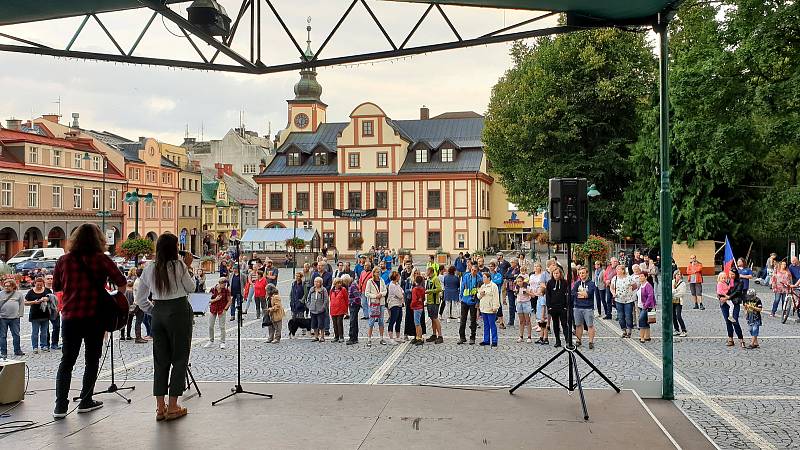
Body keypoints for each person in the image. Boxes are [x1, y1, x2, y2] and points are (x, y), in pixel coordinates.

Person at [53, 224, 127, 419]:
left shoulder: (64, 260)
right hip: (95, 316)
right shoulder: (102, 259)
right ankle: (86, 401)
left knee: (66, 361)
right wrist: (113, 298)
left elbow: (56, 287)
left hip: (70, 317)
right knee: (92, 360)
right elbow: (121, 283)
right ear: (99, 240)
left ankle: (60, 406)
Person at [135, 232, 196, 422]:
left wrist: (154, 311)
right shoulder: (178, 265)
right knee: (179, 358)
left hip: (159, 312)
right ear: (174, 248)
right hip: (178, 311)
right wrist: (187, 266)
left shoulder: (149, 267)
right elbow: (191, 288)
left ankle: (160, 407)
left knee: (160, 361)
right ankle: (173, 405)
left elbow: (140, 298)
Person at [719, 268, 746, 348]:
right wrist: (720, 297)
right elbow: (720, 290)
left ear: (736, 274)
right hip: (724, 303)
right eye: (730, 274)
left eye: (732, 274)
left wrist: (728, 297)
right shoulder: (726, 280)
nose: (731, 276)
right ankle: (730, 339)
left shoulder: (740, 282)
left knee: (734, 321)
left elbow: (737, 292)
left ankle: (741, 339)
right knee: (728, 321)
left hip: (734, 302)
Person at [25, 277, 52, 354]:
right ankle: (35, 347)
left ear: (43, 284)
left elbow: (52, 298)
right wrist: (33, 302)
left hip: (45, 314)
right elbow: (25, 302)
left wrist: (46, 299)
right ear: (35, 284)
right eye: (38, 285)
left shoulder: (47, 290)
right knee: (35, 332)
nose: (39, 286)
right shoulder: (30, 292)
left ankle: (44, 345)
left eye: (41, 285)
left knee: (44, 332)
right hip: (35, 315)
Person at [572, 267, 597, 349]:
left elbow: (588, 294)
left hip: (588, 307)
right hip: (577, 307)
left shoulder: (591, 283)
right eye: (580, 273)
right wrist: (582, 294)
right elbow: (573, 292)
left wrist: (581, 294)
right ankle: (579, 340)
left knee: (590, 325)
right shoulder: (577, 283)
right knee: (578, 325)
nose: (581, 274)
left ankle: (591, 342)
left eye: (583, 273)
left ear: (587, 273)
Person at [0, 278, 25, 358]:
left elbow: (21, 304)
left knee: (16, 335)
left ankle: (17, 350)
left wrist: (20, 314)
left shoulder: (18, 294)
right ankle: (3, 352)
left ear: (13, 286)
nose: (7, 287)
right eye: (5, 286)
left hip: (15, 318)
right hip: (2, 318)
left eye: (9, 286)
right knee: (3, 336)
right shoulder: (0, 294)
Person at [546, 266, 569, 348]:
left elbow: (567, 295)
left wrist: (566, 306)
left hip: (562, 307)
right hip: (553, 307)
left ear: (560, 274)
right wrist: (549, 307)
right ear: (552, 274)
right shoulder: (549, 283)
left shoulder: (565, 282)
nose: (556, 275)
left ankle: (567, 341)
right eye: (554, 273)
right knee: (555, 325)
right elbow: (548, 295)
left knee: (564, 324)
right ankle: (557, 341)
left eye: (557, 273)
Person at [610, 264, 637, 338]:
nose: (617, 271)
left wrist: (630, 292)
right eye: (617, 269)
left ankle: (629, 330)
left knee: (628, 315)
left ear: (623, 270)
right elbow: (611, 288)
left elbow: (635, 286)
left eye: (619, 269)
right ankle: (623, 330)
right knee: (620, 316)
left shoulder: (629, 278)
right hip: (618, 300)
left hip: (628, 300)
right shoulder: (614, 278)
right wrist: (613, 293)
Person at [204, 278, 231, 349]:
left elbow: (229, 301)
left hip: (222, 309)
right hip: (213, 309)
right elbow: (208, 300)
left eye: (225, 284)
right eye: (223, 284)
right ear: (220, 283)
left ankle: (222, 342)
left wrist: (225, 309)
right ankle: (211, 340)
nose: (225, 286)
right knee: (210, 326)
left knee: (222, 327)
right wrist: (215, 299)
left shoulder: (226, 290)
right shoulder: (213, 289)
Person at [458, 263, 481, 345]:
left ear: (477, 271)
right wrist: (460, 297)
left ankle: (472, 337)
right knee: (462, 320)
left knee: (473, 320)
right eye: (472, 270)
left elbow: (479, 291)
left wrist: (478, 302)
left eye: (475, 271)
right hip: (465, 300)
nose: (473, 272)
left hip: (473, 301)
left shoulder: (479, 279)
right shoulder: (466, 276)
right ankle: (462, 337)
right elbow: (462, 287)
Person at [364, 267, 388, 346]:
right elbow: (366, 293)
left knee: (381, 321)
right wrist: (375, 296)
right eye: (377, 272)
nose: (378, 273)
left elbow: (385, 290)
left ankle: (381, 338)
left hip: (381, 303)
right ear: (374, 273)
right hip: (374, 304)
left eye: (379, 272)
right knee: (371, 321)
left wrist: (381, 294)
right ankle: (369, 339)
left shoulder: (382, 280)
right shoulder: (370, 282)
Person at [477, 271, 500, 347]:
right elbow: (478, 296)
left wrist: (495, 307)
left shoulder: (493, 286)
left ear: (488, 278)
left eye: (484, 277)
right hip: (484, 308)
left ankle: (494, 340)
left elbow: (496, 297)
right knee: (486, 325)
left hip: (490, 309)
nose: (483, 279)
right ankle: (486, 340)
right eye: (483, 277)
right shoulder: (482, 286)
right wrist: (480, 294)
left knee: (492, 324)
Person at [306, 277, 329, 342]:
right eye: (315, 281)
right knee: (314, 324)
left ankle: (322, 336)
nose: (316, 283)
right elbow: (308, 298)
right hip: (313, 309)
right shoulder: (311, 289)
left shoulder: (323, 290)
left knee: (321, 324)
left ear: (321, 283)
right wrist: (309, 306)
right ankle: (316, 336)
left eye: (318, 282)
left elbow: (326, 299)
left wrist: (323, 307)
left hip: (320, 310)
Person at [424, 266, 443, 344]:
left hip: (435, 302)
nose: (425, 272)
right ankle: (434, 334)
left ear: (430, 271)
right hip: (429, 302)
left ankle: (440, 336)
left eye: (426, 271)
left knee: (435, 318)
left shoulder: (435, 279)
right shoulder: (429, 279)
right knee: (432, 318)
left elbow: (439, 289)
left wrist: (429, 291)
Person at [514, 275, 534, 343]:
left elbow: (533, 295)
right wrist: (515, 292)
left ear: (523, 281)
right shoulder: (516, 287)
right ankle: (521, 336)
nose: (519, 283)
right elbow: (515, 295)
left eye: (520, 281)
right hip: (519, 303)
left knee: (527, 320)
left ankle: (529, 336)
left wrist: (527, 292)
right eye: (518, 281)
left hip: (526, 303)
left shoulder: (527, 287)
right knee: (521, 321)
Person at [637, 273, 656, 343]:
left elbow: (650, 296)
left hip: (647, 306)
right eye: (639, 276)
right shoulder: (640, 285)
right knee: (646, 321)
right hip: (640, 306)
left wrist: (646, 306)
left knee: (641, 320)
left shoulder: (648, 286)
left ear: (646, 277)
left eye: (642, 276)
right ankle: (647, 336)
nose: (640, 277)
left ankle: (642, 337)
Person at [44, 274, 61, 350]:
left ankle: (55, 343)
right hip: (45, 311)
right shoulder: (42, 289)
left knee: (56, 327)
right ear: (45, 280)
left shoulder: (56, 289)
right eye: (48, 278)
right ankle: (46, 344)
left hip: (55, 311)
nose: (50, 280)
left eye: (51, 278)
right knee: (45, 328)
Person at [386, 271, 404, 343]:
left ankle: (398, 337)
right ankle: (391, 338)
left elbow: (402, 291)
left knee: (399, 321)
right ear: (396, 277)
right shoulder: (392, 285)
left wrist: (401, 294)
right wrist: (402, 295)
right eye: (398, 276)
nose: (399, 277)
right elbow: (400, 295)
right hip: (394, 305)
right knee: (393, 320)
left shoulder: (397, 284)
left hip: (399, 304)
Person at [329, 277, 348, 343]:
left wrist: (346, 310)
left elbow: (346, 300)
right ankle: (336, 337)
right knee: (334, 324)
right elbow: (331, 299)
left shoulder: (343, 289)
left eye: (340, 283)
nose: (339, 284)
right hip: (333, 309)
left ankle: (341, 336)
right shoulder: (332, 290)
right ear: (335, 284)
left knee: (339, 322)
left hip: (341, 309)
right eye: (338, 283)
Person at [289, 272, 308, 337]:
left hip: (300, 303)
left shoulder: (303, 284)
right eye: (296, 276)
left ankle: (304, 329)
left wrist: (302, 301)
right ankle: (293, 330)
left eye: (298, 276)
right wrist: (291, 300)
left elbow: (305, 293)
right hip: (294, 303)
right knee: (293, 318)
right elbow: (291, 292)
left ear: (301, 277)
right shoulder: (293, 284)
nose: (297, 277)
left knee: (301, 317)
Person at [346, 274, 362, 345]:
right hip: (353, 306)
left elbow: (357, 297)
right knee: (354, 321)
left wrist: (352, 303)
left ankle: (352, 337)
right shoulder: (351, 285)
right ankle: (355, 338)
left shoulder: (352, 286)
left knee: (352, 322)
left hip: (354, 306)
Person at [671, 271, 688, 337]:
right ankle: (676, 329)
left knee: (678, 316)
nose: (679, 275)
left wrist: (674, 294)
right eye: (677, 274)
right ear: (674, 275)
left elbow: (682, 293)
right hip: (672, 301)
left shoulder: (682, 283)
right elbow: (670, 290)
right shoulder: (672, 282)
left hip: (679, 302)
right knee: (673, 316)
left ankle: (684, 330)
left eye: (680, 274)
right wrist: (675, 291)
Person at [410, 275, 426, 345]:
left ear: (415, 281)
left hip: (416, 307)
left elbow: (414, 300)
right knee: (418, 323)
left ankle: (419, 337)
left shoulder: (414, 289)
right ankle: (418, 337)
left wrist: (411, 306)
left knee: (417, 324)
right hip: (420, 306)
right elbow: (423, 298)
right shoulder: (422, 289)